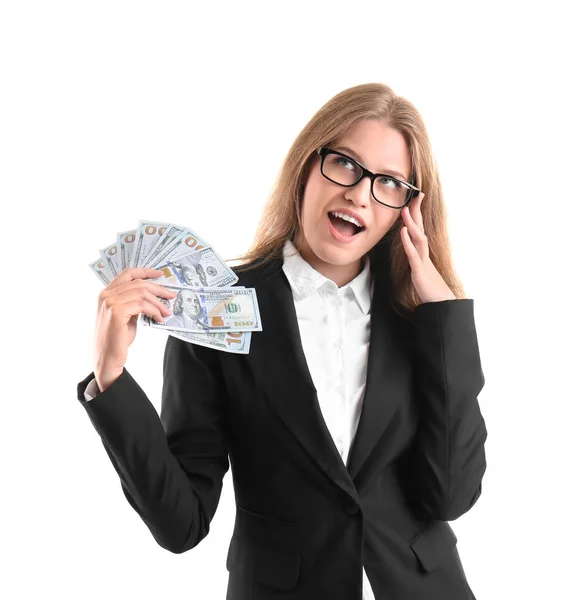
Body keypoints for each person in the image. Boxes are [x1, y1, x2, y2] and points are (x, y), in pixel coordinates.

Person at [77, 82, 487, 600]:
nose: (360, 193)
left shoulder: (420, 323)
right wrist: (110, 375)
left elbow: (453, 494)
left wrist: (445, 319)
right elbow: (180, 524)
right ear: (306, 166)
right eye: (345, 164)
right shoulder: (217, 311)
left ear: (404, 210)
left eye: (389, 183)